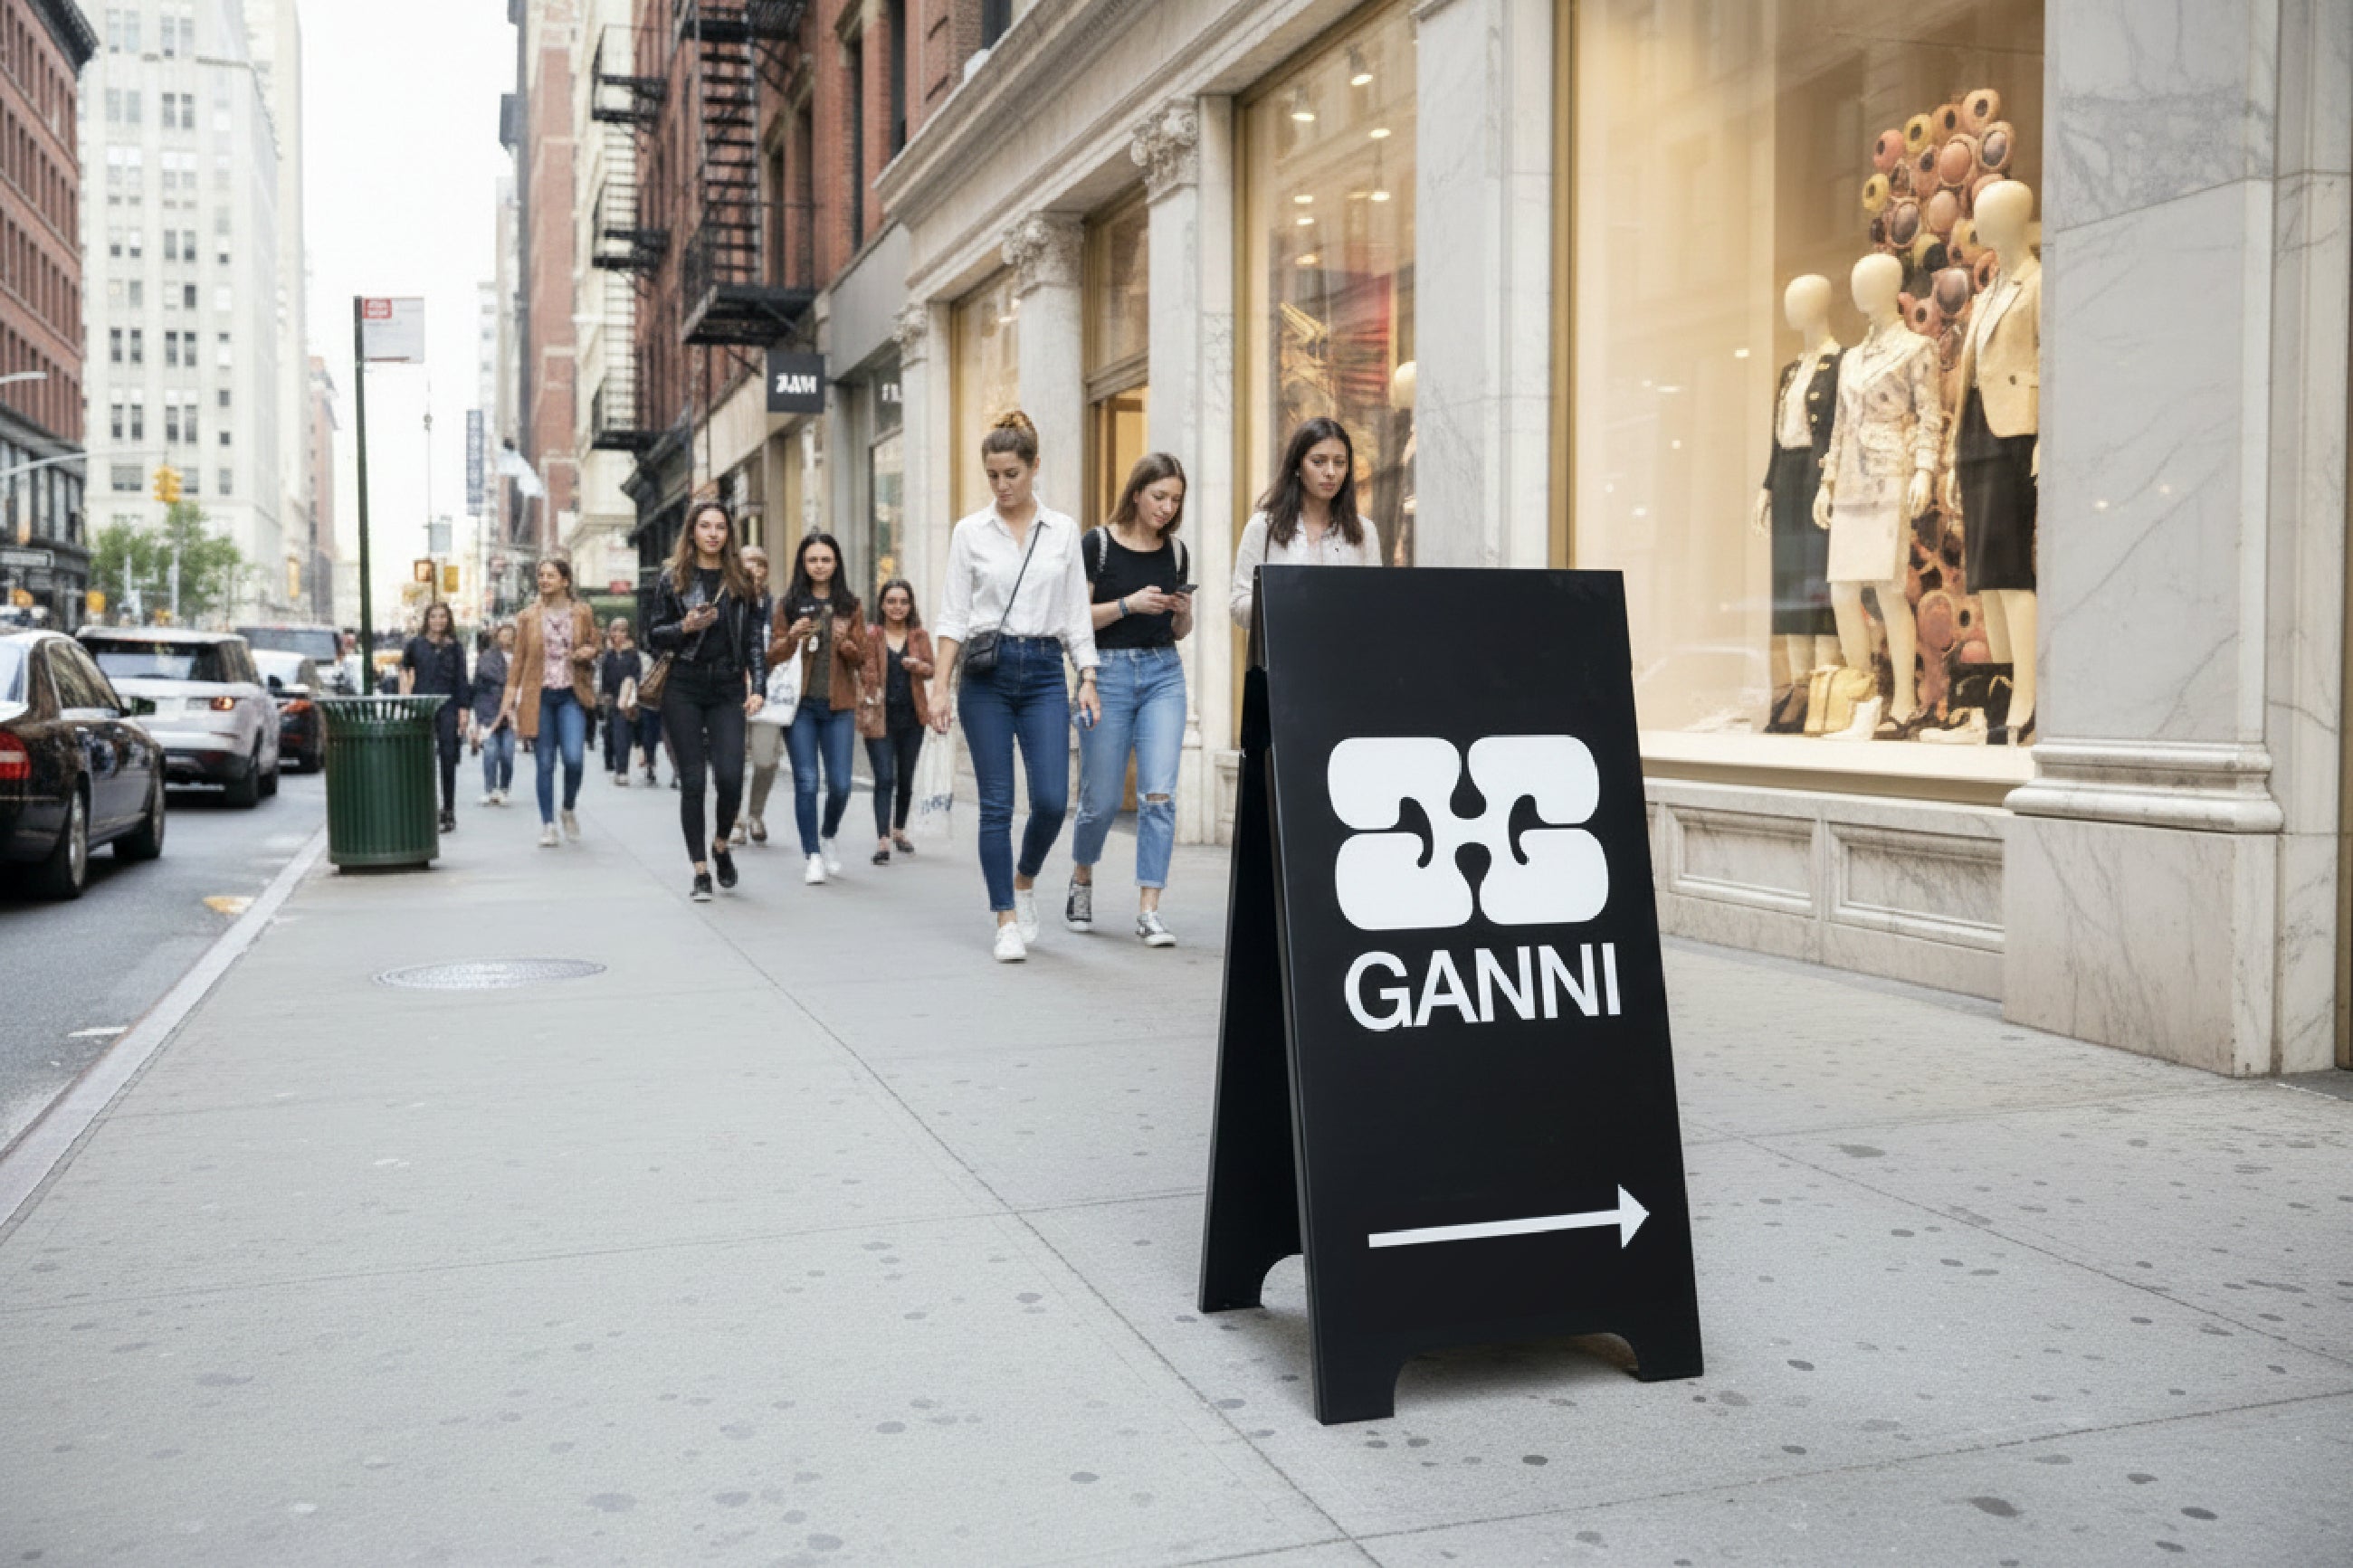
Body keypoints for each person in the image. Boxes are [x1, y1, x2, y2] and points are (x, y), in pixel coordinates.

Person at [929, 410, 1101, 963]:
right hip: (986, 675)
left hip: (1046, 670)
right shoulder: (969, 532)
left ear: (1034, 467)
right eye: (993, 476)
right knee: (997, 805)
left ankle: (1024, 879)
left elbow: (1075, 613)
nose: (1002, 486)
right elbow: (954, 615)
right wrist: (939, 687)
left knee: (1051, 801)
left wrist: (1088, 676)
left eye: (1011, 474)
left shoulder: (1063, 531)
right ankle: (1004, 917)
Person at [1068, 454, 1193, 946]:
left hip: (1164, 673)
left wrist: (1181, 611)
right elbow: (1074, 620)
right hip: (1106, 675)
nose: (1167, 508)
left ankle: (1149, 909)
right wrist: (1129, 604)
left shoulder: (1176, 552)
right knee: (1100, 801)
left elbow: (1180, 631)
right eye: (1159, 496)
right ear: (1137, 492)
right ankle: (1082, 877)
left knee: (1158, 795)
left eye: (1175, 500)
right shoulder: (1097, 544)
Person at [647, 499, 767, 901]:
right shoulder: (673, 579)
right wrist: (684, 626)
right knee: (693, 780)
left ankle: (720, 844)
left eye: (720, 527)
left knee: (730, 777)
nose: (713, 534)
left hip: (728, 687)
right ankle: (700, 868)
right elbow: (653, 635)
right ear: (692, 532)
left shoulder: (741, 580)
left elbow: (754, 640)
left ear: (728, 533)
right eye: (705, 526)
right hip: (684, 684)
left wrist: (758, 686)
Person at [770, 532, 865, 885]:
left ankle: (828, 835)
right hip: (800, 708)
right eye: (813, 560)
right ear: (803, 564)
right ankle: (811, 854)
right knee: (807, 781)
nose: (820, 566)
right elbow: (772, 654)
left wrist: (847, 645)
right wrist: (791, 637)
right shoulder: (789, 605)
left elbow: (863, 657)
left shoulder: (850, 606)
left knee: (840, 785)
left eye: (826, 560)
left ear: (836, 563)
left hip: (839, 705)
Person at [1228, 415, 1383, 630]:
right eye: (1318, 462)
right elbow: (1238, 606)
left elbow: (1376, 603)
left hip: (1346, 646)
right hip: (1284, 646)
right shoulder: (1263, 526)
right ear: (1298, 466)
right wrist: (1288, 599)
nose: (1330, 472)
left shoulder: (1364, 531)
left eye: (1339, 463)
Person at [500, 558, 599, 847]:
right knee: (544, 762)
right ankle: (548, 824)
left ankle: (568, 807)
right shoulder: (528, 617)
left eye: (550, 575)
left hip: (571, 694)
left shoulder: (582, 612)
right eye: (541, 575)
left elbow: (596, 643)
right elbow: (518, 661)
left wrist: (588, 652)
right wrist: (508, 701)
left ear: (565, 581)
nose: (544, 580)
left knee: (574, 759)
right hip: (539, 696)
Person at [857, 578, 933, 865]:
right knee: (884, 777)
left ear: (910, 605)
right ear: (882, 605)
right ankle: (883, 839)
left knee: (905, 776)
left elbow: (931, 669)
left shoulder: (919, 636)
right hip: (879, 716)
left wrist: (918, 665)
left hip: (912, 717)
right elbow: (859, 668)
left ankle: (899, 829)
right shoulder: (871, 635)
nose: (897, 607)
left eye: (903, 602)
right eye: (891, 601)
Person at [400, 601, 474, 834]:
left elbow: (462, 679)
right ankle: (422, 808)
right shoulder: (415, 645)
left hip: (448, 705)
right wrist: (406, 696)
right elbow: (404, 669)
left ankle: (448, 810)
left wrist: (464, 710)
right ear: (427, 620)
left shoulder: (455, 647)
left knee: (448, 757)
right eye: (434, 616)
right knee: (420, 758)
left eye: (443, 616)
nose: (438, 621)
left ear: (448, 620)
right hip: (422, 705)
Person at [735, 545, 782, 844]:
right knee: (733, 760)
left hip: (770, 692)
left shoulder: (777, 608)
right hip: (733, 691)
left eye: (760, 563)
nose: (754, 568)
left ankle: (755, 813)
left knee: (766, 759)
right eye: (747, 562)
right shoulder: (728, 601)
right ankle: (736, 820)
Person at [597, 618, 646, 786]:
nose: (618, 634)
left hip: (629, 700)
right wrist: (605, 695)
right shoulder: (608, 655)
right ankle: (612, 763)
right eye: (615, 630)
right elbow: (604, 679)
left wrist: (629, 692)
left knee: (623, 734)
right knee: (612, 732)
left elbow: (637, 676)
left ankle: (622, 771)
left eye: (622, 631)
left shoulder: (633, 654)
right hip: (613, 700)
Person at [472, 622, 516, 805]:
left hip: (512, 713)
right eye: (504, 634)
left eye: (511, 635)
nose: (507, 638)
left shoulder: (519, 658)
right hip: (489, 710)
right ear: (497, 637)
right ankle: (489, 789)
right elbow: (478, 686)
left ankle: (504, 788)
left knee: (507, 754)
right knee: (490, 752)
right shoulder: (487, 658)